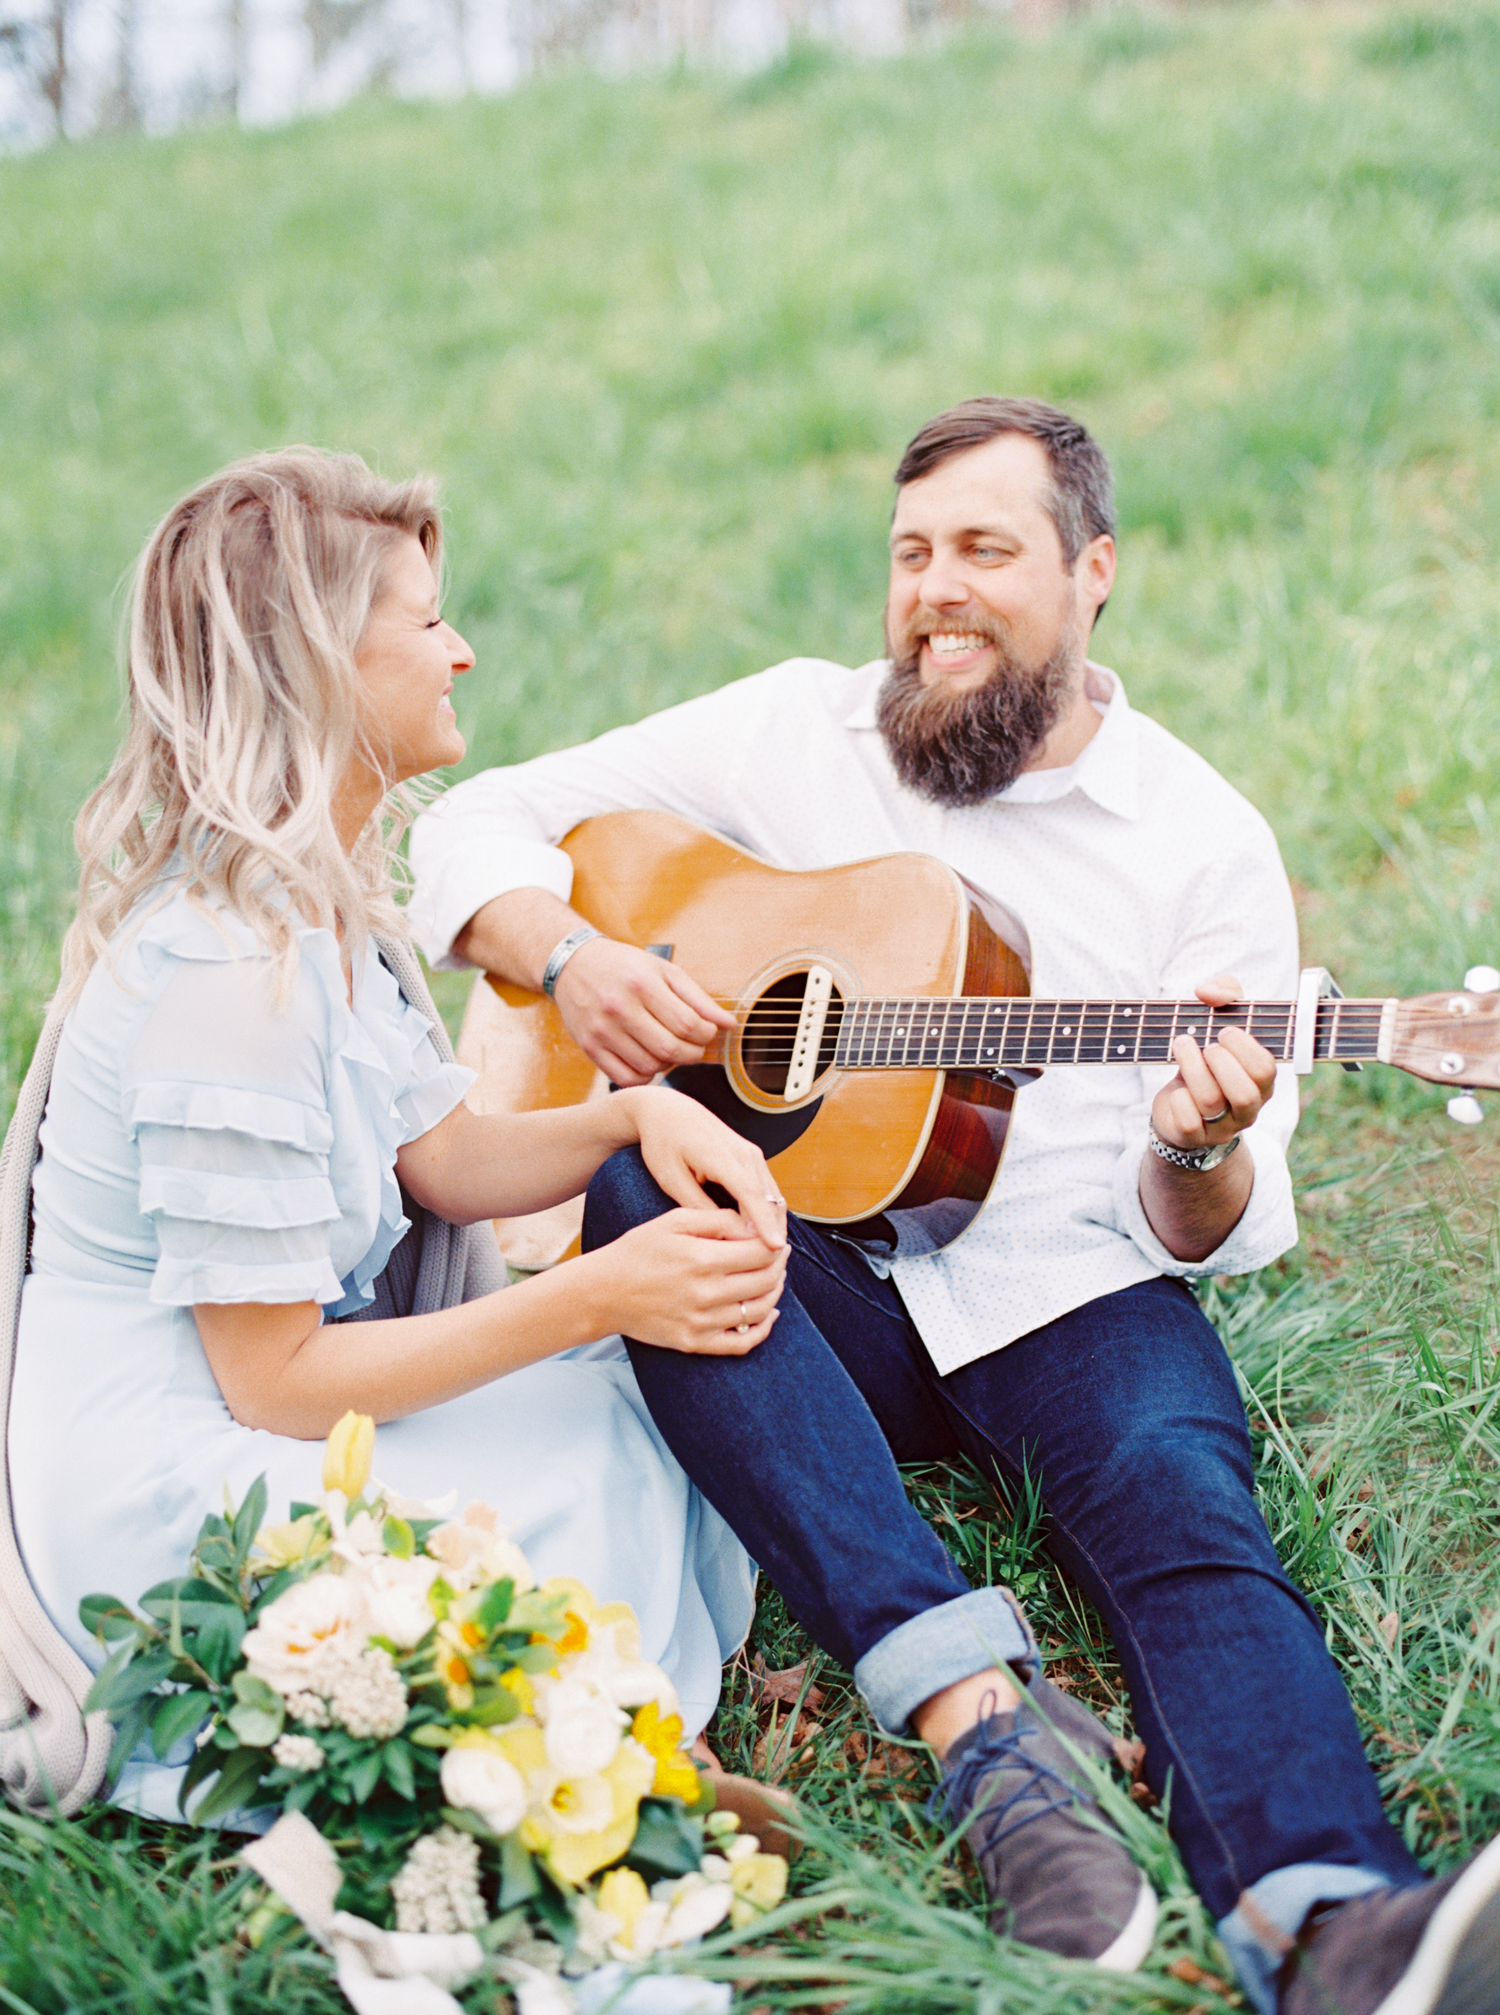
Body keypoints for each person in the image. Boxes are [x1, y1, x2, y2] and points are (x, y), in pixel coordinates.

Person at [409, 397, 1500, 2015]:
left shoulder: (1198, 841)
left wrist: (1197, 1143)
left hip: (1078, 1288)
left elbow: (1204, 1221)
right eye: (911, 554)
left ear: (1093, 571)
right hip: (815, 1279)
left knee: (1188, 1530)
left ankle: (1330, 1920)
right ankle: (984, 1723)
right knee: (652, 1180)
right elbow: (471, 817)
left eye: (986, 550)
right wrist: (577, 960)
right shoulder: (795, 731)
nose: (936, 590)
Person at [8, 448, 797, 1825]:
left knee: (624, 1422)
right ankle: (590, 1775)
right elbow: (276, 1383)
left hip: (262, 1387)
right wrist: (595, 1292)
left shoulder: (320, 903)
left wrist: (631, 1109)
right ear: (319, 671)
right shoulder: (220, 982)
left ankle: (601, 1734)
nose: (466, 652)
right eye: (428, 625)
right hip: (175, 1468)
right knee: (552, 1478)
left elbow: (432, 1162)